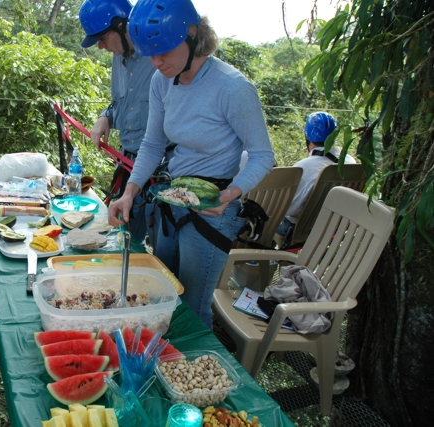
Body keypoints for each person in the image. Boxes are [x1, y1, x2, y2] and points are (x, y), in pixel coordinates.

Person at [107, 0, 275, 329]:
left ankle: (200, 375)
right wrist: (129, 192)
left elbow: (262, 155)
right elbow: (153, 143)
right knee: (163, 296)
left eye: (164, 52)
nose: (156, 63)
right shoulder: (162, 80)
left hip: (213, 208)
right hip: (175, 199)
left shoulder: (232, 87)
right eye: (149, 55)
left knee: (194, 309)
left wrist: (230, 195)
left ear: (192, 35)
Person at [79, 0, 173, 248]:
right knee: (124, 239)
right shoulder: (118, 59)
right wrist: (105, 117)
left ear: (122, 26)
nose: (100, 46)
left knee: (162, 248)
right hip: (129, 162)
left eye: (102, 38)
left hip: (163, 170)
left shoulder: (159, 58)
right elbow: (118, 102)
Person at [277, 111, 356, 241]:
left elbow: (290, 209)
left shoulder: (303, 167)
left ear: (307, 137)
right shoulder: (349, 160)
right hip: (336, 227)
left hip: (303, 229)